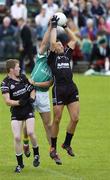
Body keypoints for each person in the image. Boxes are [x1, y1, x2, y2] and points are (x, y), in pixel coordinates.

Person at [47, 16, 80, 165]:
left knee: (75, 118)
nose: (60, 45)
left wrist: (65, 26)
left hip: (71, 88)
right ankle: (53, 148)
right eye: (58, 44)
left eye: (61, 44)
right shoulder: (52, 57)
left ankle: (66, 143)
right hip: (59, 89)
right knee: (58, 118)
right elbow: (53, 42)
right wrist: (54, 26)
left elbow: (74, 40)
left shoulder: (67, 54)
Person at [0, 59, 40, 173]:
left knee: (31, 132)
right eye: (18, 67)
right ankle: (20, 164)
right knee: (17, 137)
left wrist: (32, 98)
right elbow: (7, 101)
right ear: (11, 69)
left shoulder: (23, 77)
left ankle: (36, 154)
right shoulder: (5, 83)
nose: (20, 69)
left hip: (28, 109)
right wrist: (18, 102)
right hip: (16, 112)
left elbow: (32, 89)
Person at [23, 23, 53, 157]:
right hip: (31, 92)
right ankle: (25, 143)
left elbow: (50, 83)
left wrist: (37, 83)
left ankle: (53, 149)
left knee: (48, 124)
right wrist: (50, 28)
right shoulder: (42, 57)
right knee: (28, 122)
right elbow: (44, 42)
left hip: (43, 95)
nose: (51, 49)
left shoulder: (56, 66)